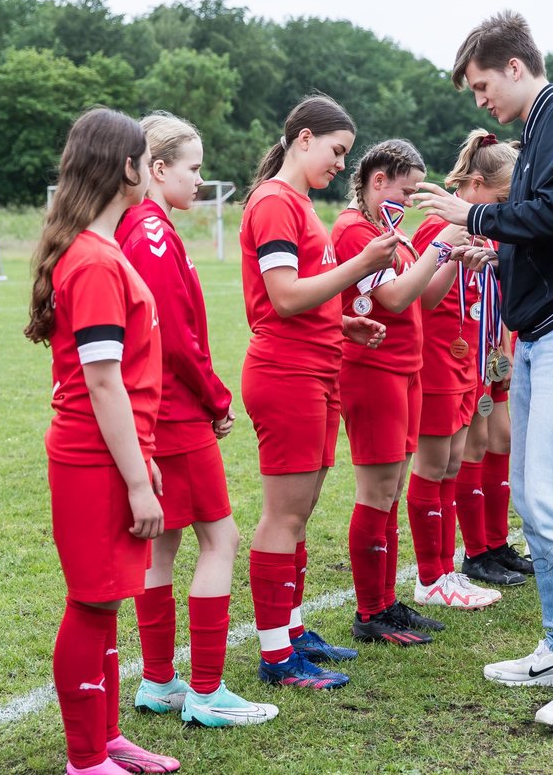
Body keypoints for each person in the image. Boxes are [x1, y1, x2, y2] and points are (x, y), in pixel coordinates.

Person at [414, 10, 553, 727]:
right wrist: (499, 251)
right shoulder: (540, 130)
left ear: (516, 67)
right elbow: (549, 231)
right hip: (546, 331)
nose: (481, 101)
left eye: (483, 85)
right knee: (534, 496)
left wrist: (472, 218)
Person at [25, 108, 180, 774]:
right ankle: (85, 760)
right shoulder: (91, 260)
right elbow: (102, 380)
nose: (153, 169)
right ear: (126, 167)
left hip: (112, 450)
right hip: (92, 456)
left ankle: (108, 738)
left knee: (106, 598)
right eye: (147, 158)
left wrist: (142, 457)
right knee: (91, 602)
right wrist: (138, 478)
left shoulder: (101, 250)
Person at [116, 112, 278, 727]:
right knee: (221, 539)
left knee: (165, 546)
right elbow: (174, 339)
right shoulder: (152, 233)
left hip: (155, 414)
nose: (201, 179)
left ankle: (159, 681)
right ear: (158, 170)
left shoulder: (139, 227)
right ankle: (207, 691)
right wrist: (216, 397)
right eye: (194, 167)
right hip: (176, 413)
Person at [239, 95, 397, 690]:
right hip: (288, 373)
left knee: (298, 514)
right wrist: (360, 268)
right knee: (283, 516)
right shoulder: (276, 203)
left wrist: (342, 320)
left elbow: (303, 295)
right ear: (303, 139)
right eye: (336, 152)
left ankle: (294, 631)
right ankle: (277, 657)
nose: (339, 165)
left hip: (315, 365)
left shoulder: (297, 203)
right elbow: (282, 296)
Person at [331, 138, 468, 645]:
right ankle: (371, 612)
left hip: (405, 369)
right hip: (373, 370)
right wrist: (446, 235)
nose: (409, 201)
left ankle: (385, 603)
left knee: (389, 492)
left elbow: (425, 298)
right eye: (405, 190)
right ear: (378, 180)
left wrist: (453, 255)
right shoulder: (354, 231)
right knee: (377, 492)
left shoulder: (391, 233)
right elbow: (392, 297)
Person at [410, 130, 524, 605]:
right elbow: (423, 294)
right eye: (500, 196)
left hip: (482, 356)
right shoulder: (437, 223)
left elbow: (490, 292)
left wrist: (500, 342)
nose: (504, 205)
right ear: (476, 184)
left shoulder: (485, 224)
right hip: (443, 359)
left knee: (467, 455)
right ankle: (452, 564)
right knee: (444, 462)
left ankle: (476, 554)